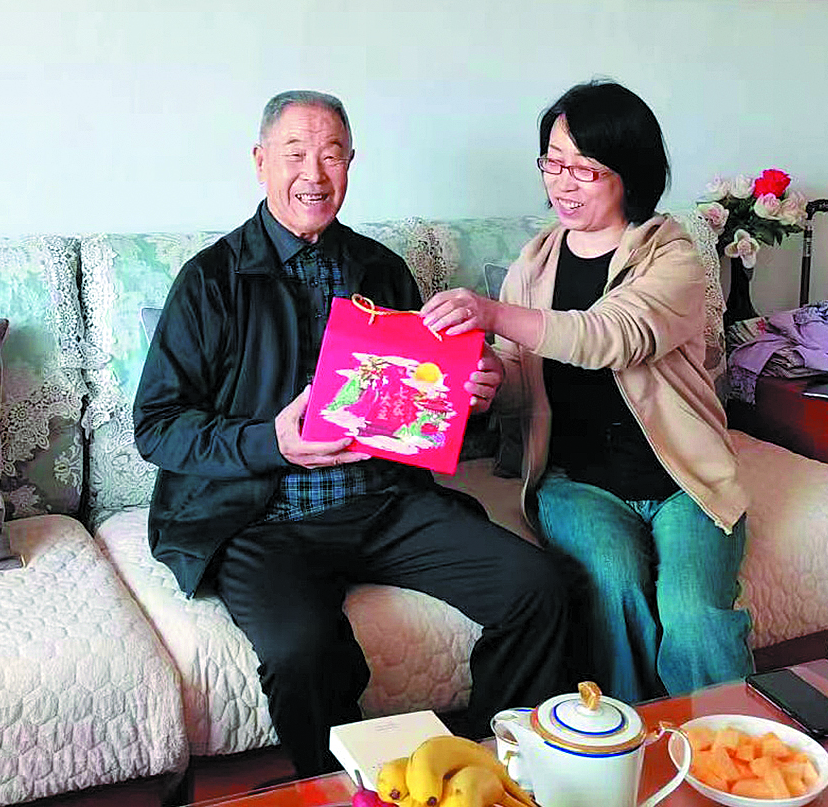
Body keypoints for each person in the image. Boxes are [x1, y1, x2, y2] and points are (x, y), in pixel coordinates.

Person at [133, 90, 572, 776]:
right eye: (295, 154)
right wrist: (270, 442)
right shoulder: (211, 281)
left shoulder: (380, 268)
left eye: (331, 155)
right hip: (260, 519)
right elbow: (157, 427)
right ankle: (342, 788)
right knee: (303, 651)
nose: (314, 173)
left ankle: (486, 768)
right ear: (260, 162)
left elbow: (422, 413)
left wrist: (472, 397)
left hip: (384, 502)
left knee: (537, 587)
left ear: (350, 163)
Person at [421, 79, 752, 704]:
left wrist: (493, 314)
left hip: (684, 481)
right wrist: (488, 383)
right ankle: (629, 740)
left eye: (586, 169)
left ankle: (725, 744)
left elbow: (613, 336)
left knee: (693, 614)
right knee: (612, 588)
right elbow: (521, 378)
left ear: (630, 173)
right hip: (576, 482)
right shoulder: (533, 266)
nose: (563, 184)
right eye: (553, 163)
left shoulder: (673, 257)